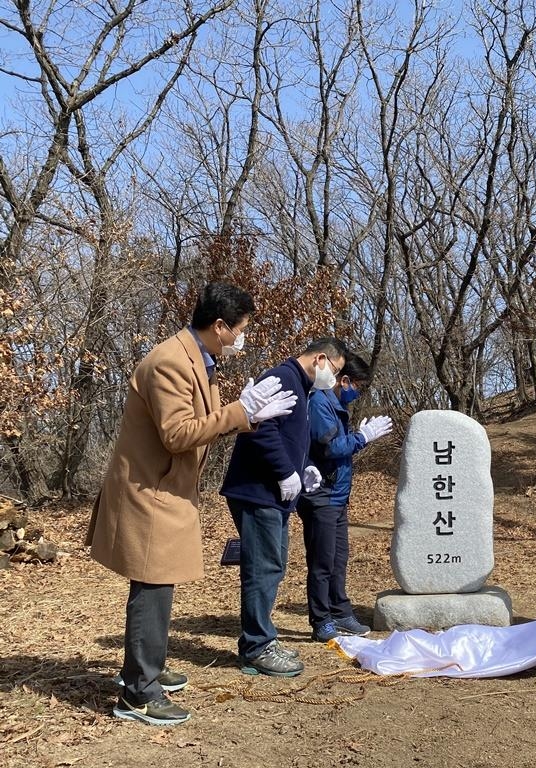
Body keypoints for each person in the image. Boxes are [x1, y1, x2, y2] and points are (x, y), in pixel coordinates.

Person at [87, 282, 297, 726]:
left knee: (160, 584)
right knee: (152, 585)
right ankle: (138, 694)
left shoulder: (203, 360)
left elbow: (205, 425)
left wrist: (248, 418)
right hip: (148, 490)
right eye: (240, 328)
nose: (243, 336)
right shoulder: (170, 362)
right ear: (219, 326)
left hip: (168, 490)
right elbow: (178, 434)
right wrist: (242, 413)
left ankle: (150, 668)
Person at [220, 338, 348, 677]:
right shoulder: (282, 378)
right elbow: (258, 430)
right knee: (263, 567)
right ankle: (256, 647)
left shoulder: (302, 387)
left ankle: (262, 639)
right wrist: (284, 471)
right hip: (258, 490)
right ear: (321, 358)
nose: (333, 380)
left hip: (274, 494)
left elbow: (287, 435)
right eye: (334, 371)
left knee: (273, 565)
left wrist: (303, 467)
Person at [297, 352, 393, 642]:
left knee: (338, 559)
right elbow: (328, 448)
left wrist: (359, 436)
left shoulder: (336, 405)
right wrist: (362, 438)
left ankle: (340, 610)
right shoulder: (319, 404)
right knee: (322, 561)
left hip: (337, 495)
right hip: (320, 495)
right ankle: (321, 619)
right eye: (357, 386)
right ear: (344, 379)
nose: (357, 392)